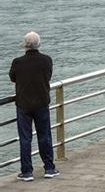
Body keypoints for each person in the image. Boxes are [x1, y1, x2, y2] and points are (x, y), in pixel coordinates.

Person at [9, 32, 59, 181]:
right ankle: (49, 168)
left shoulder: (17, 62)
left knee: (25, 138)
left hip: (23, 104)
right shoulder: (46, 60)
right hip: (42, 103)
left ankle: (27, 171)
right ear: (39, 44)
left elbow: (12, 77)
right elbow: (48, 76)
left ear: (25, 45)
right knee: (45, 136)